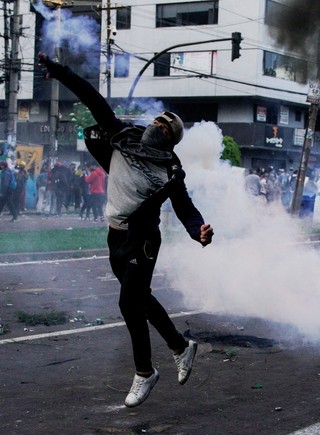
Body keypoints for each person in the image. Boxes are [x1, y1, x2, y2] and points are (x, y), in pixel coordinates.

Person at [39, 52, 214, 407]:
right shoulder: (120, 135)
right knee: (142, 300)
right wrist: (59, 71)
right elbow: (91, 97)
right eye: (159, 121)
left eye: (167, 129)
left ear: (171, 142)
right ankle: (181, 347)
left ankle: (145, 372)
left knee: (128, 302)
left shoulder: (169, 172)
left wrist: (199, 231)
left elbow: (185, 208)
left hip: (143, 240)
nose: (159, 126)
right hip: (115, 234)